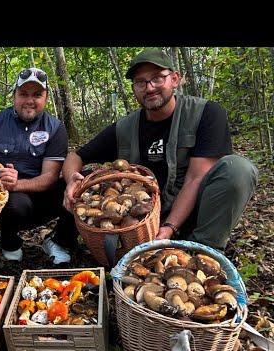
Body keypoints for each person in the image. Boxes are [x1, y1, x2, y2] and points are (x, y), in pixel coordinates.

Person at [63, 49, 258, 251]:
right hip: (145, 219)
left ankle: (204, 249)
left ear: (175, 79)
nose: (149, 88)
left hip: (195, 214)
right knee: (87, 179)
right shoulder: (124, 128)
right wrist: (72, 180)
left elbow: (195, 178)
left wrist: (169, 228)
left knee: (238, 169)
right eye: (141, 82)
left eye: (157, 78)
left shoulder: (205, 113)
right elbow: (74, 157)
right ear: (134, 89)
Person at [0, 67, 77, 264]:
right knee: (15, 203)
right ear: (14, 95)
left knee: (81, 185)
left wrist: (16, 184)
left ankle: (58, 241)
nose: (29, 101)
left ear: (46, 98)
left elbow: (49, 178)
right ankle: (10, 241)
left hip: (41, 196)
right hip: (5, 200)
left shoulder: (55, 128)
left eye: (37, 94)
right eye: (23, 94)